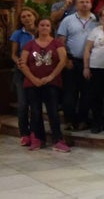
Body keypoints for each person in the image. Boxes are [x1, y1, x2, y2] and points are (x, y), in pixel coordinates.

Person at [19, 18, 70, 152]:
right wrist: (33, 79)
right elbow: (22, 63)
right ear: (38, 27)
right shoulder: (29, 45)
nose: (44, 27)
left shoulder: (57, 44)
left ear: (51, 28)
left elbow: (62, 61)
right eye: (42, 25)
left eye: (47, 25)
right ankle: (37, 139)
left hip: (52, 82)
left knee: (53, 111)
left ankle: (58, 140)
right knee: (35, 112)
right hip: (32, 82)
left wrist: (50, 77)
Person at [57, 0, 98, 131]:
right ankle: (69, 120)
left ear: (91, 5)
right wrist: (66, 59)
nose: (85, 4)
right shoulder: (68, 20)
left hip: (90, 63)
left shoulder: (96, 20)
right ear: (76, 5)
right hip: (72, 61)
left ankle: (83, 120)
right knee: (70, 94)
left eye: (87, 2)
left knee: (87, 93)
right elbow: (60, 41)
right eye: (81, 2)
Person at [10, 7, 38, 146]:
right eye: (23, 17)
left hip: (37, 71)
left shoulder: (41, 30)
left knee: (35, 104)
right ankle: (24, 134)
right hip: (21, 72)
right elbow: (14, 54)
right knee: (22, 104)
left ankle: (34, 132)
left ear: (34, 16)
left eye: (29, 15)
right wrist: (19, 62)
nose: (27, 18)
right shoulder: (18, 34)